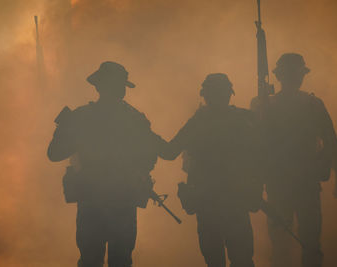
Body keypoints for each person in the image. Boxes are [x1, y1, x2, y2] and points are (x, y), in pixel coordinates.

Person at [47, 61, 162, 267]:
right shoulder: (135, 120)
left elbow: (54, 153)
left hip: (91, 201)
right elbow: (151, 157)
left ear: (98, 87)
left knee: (91, 260)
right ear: (121, 90)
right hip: (122, 202)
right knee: (120, 260)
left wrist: (64, 126)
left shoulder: (81, 117)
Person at [251, 53, 337, 267]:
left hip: (286, 183)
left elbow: (331, 142)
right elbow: (332, 143)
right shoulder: (307, 104)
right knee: (305, 244)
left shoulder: (271, 105)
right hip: (297, 184)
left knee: (287, 245)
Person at [160, 73, 262, 267]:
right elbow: (262, 155)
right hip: (235, 200)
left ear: (205, 95)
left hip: (208, 202)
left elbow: (170, 151)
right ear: (229, 94)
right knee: (241, 259)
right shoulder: (245, 119)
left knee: (215, 260)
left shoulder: (198, 121)